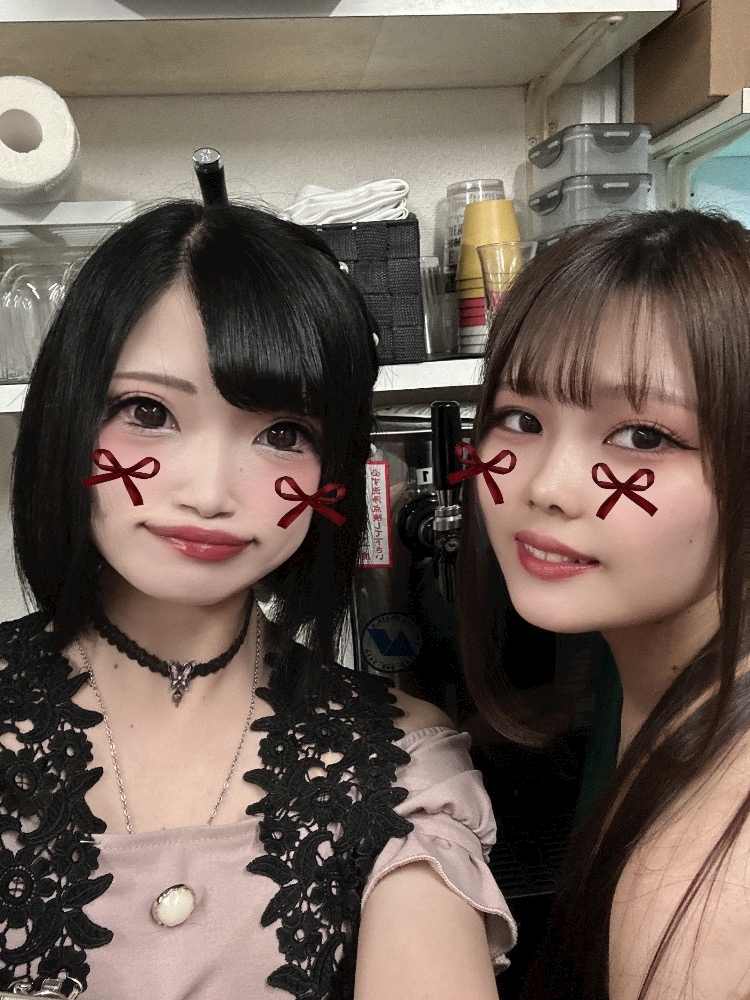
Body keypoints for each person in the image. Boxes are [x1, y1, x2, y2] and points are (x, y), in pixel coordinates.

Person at [1, 200, 516, 999]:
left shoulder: (405, 767)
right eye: (148, 412)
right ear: (68, 417)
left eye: (283, 434)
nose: (210, 493)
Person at [456, 210, 750, 1000]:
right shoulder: (634, 664)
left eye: (643, 437)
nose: (547, 487)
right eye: (520, 419)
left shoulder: (700, 886)